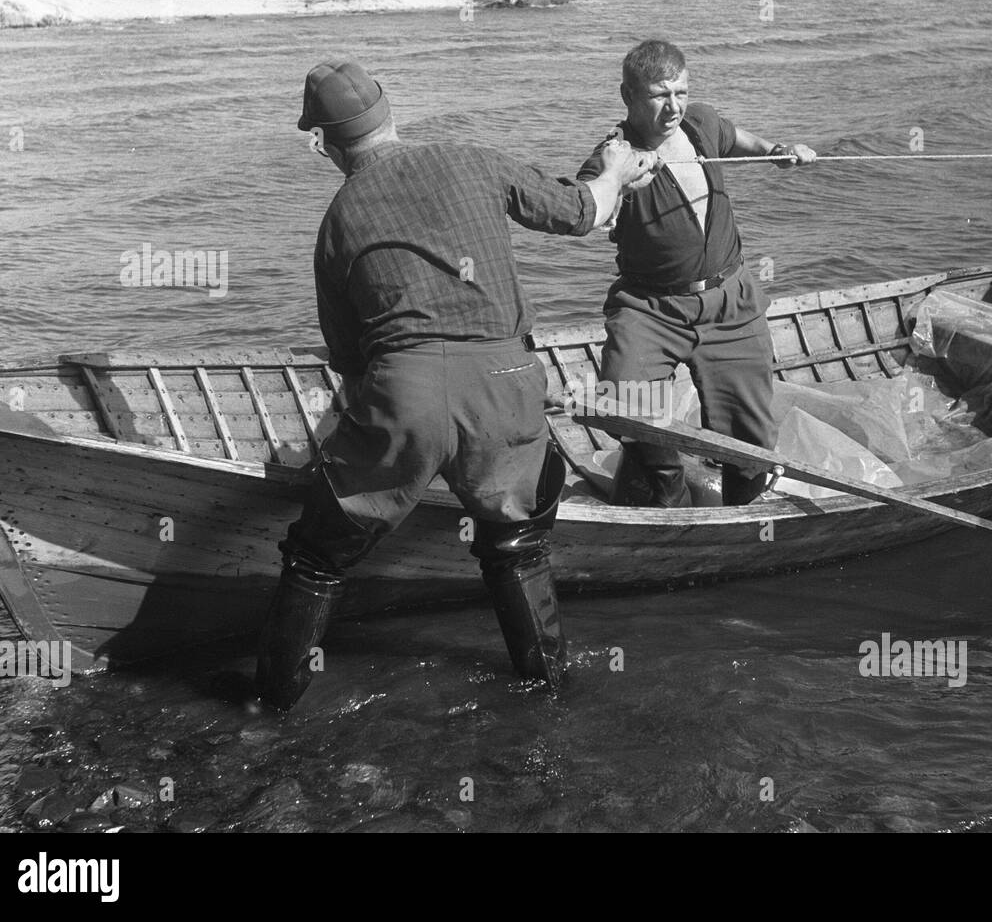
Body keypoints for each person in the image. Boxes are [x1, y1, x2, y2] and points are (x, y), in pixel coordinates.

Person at [255, 59, 656, 710]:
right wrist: (614, 170)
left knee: (316, 557)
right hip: (506, 381)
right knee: (516, 543)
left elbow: (352, 363)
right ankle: (547, 693)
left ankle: (268, 706)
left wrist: (373, 454)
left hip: (404, 393)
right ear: (393, 113)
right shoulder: (473, 158)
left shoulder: (338, 220)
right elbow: (580, 212)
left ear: (323, 142)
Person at [577, 39, 817, 507]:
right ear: (628, 96)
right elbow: (588, 211)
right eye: (659, 94)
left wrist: (776, 150)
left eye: (681, 92)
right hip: (651, 307)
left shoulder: (700, 122)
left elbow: (737, 138)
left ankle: (744, 511)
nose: (673, 106)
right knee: (626, 403)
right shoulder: (610, 159)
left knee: (748, 438)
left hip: (731, 302)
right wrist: (616, 181)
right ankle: (665, 487)